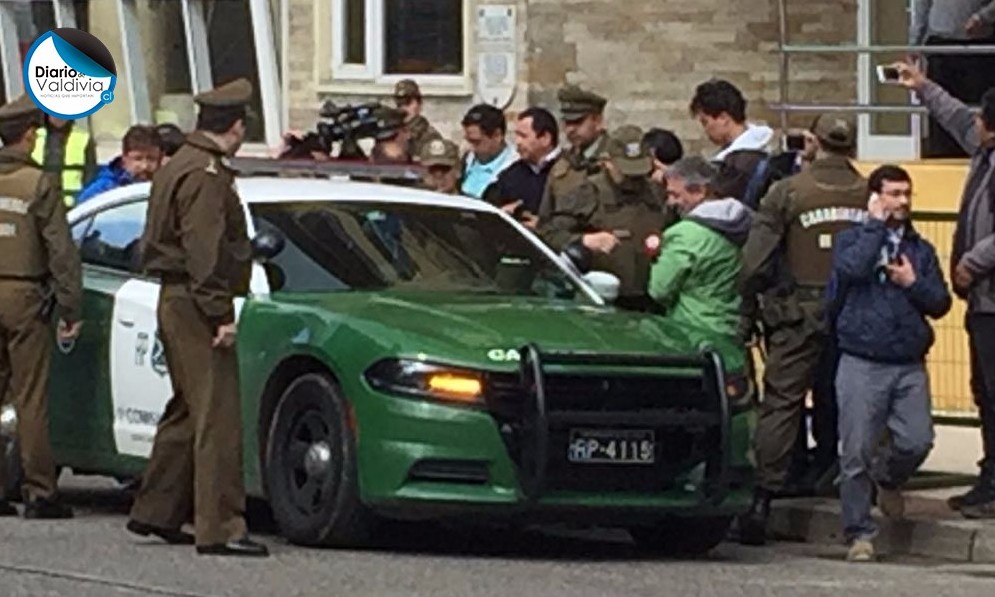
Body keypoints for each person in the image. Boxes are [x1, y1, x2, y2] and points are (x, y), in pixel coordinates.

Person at [127, 78, 268, 557]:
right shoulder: (206, 174)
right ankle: (221, 527)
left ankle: (158, 510)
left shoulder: (177, 165)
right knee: (217, 415)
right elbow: (204, 251)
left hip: (177, 296)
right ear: (236, 126)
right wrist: (220, 314)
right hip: (194, 300)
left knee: (187, 409)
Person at [737, 113, 869, 545]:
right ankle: (854, 486)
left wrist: (747, 305)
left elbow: (755, 262)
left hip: (796, 313)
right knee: (855, 400)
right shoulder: (870, 192)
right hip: (855, 310)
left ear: (814, 142)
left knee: (782, 402)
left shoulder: (787, 192)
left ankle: (761, 498)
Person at [829, 165, 951, 561]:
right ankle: (859, 532)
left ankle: (888, 478)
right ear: (875, 197)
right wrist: (875, 227)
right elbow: (851, 270)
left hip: (907, 359)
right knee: (855, 452)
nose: (902, 201)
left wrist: (912, 283)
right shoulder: (853, 240)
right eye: (894, 193)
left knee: (918, 439)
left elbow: (940, 302)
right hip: (862, 358)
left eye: (906, 194)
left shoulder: (920, 249)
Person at [891, 60, 995, 516]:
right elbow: (955, 117)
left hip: (992, 299)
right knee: (984, 391)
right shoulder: (985, 154)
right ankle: (990, 476)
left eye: (981, 118)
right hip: (983, 303)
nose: (974, 122)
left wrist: (973, 262)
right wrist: (923, 87)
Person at [0, 95, 83, 518]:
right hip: (24, 296)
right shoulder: (38, 183)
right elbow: (61, 251)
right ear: (29, 136)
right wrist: (71, 307)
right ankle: (39, 491)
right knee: (30, 397)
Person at [539, 125, 671, 312]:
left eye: (638, 173)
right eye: (626, 173)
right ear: (607, 163)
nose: (633, 181)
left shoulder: (657, 192)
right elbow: (549, 233)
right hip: (603, 300)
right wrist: (584, 241)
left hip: (650, 300)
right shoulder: (588, 192)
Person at [649, 156, 752, 338]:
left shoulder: (685, 235)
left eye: (676, 194)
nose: (671, 202)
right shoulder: (747, 220)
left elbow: (659, 289)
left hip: (692, 329)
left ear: (700, 191)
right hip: (733, 324)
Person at [909, 0, 995, 158]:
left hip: (978, 45)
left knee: (974, 110)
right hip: (940, 44)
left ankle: (979, 157)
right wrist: (914, 43)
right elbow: (922, 6)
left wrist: (982, 17)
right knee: (939, 107)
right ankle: (941, 156)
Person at [538, 85, 610, 226]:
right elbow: (545, 224)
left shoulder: (618, 161)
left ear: (597, 121)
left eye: (578, 122)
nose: (570, 129)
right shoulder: (562, 167)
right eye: (567, 122)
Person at [482, 107, 562, 228]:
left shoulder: (570, 169)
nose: (518, 142)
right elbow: (488, 208)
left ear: (545, 138)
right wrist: (501, 213)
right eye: (517, 136)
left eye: (524, 136)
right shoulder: (511, 175)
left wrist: (543, 226)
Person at [77, 125, 163, 204]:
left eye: (151, 159)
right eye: (138, 159)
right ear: (124, 158)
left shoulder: (165, 187)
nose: (145, 166)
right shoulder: (105, 189)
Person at [31, 114, 98, 208]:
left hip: (72, 207)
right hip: (39, 205)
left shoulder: (83, 138)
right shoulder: (34, 136)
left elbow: (90, 177)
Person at [460, 104, 518, 199]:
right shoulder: (467, 160)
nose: (470, 147)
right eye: (468, 140)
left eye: (476, 142)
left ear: (497, 136)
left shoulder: (516, 170)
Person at [394, 79, 442, 159]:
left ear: (419, 104)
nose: (403, 107)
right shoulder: (392, 132)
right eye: (399, 103)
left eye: (408, 102)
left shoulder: (430, 136)